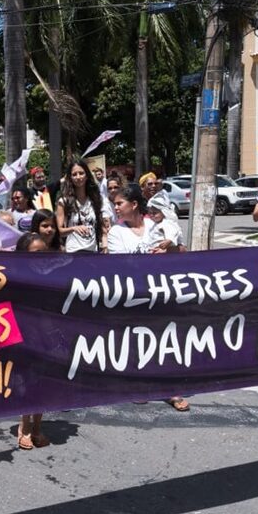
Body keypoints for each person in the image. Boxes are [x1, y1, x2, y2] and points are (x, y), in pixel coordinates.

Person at [107, 185, 190, 412]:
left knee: (167, 339)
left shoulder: (159, 223)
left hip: (161, 291)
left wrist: (168, 250)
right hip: (134, 295)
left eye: (119, 203)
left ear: (134, 205)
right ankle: (139, 384)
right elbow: (119, 266)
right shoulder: (116, 232)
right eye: (114, 204)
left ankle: (170, 389)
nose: (116, 208)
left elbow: (181, 250)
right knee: (137, 340)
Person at [15, 232, 52, 450]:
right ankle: (24, 427)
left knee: (45, 383)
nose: (41, 257)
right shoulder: (16, 275)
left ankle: (38, 427)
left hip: (46, 333)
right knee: (28, 381)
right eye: (36, 252)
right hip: (25, 334)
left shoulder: (51, 274)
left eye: (44, 252)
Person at [56, 160, 106, 254]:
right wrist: (73, 228)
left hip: (93, 252)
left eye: (81, 173)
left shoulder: (95, 199)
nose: (78, 177)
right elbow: (60, 231)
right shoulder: (64, 201)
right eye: (74, 174)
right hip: (73, 252)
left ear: (87, 175)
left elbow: (101, 224)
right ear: (70, 178)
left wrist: (105, 244)